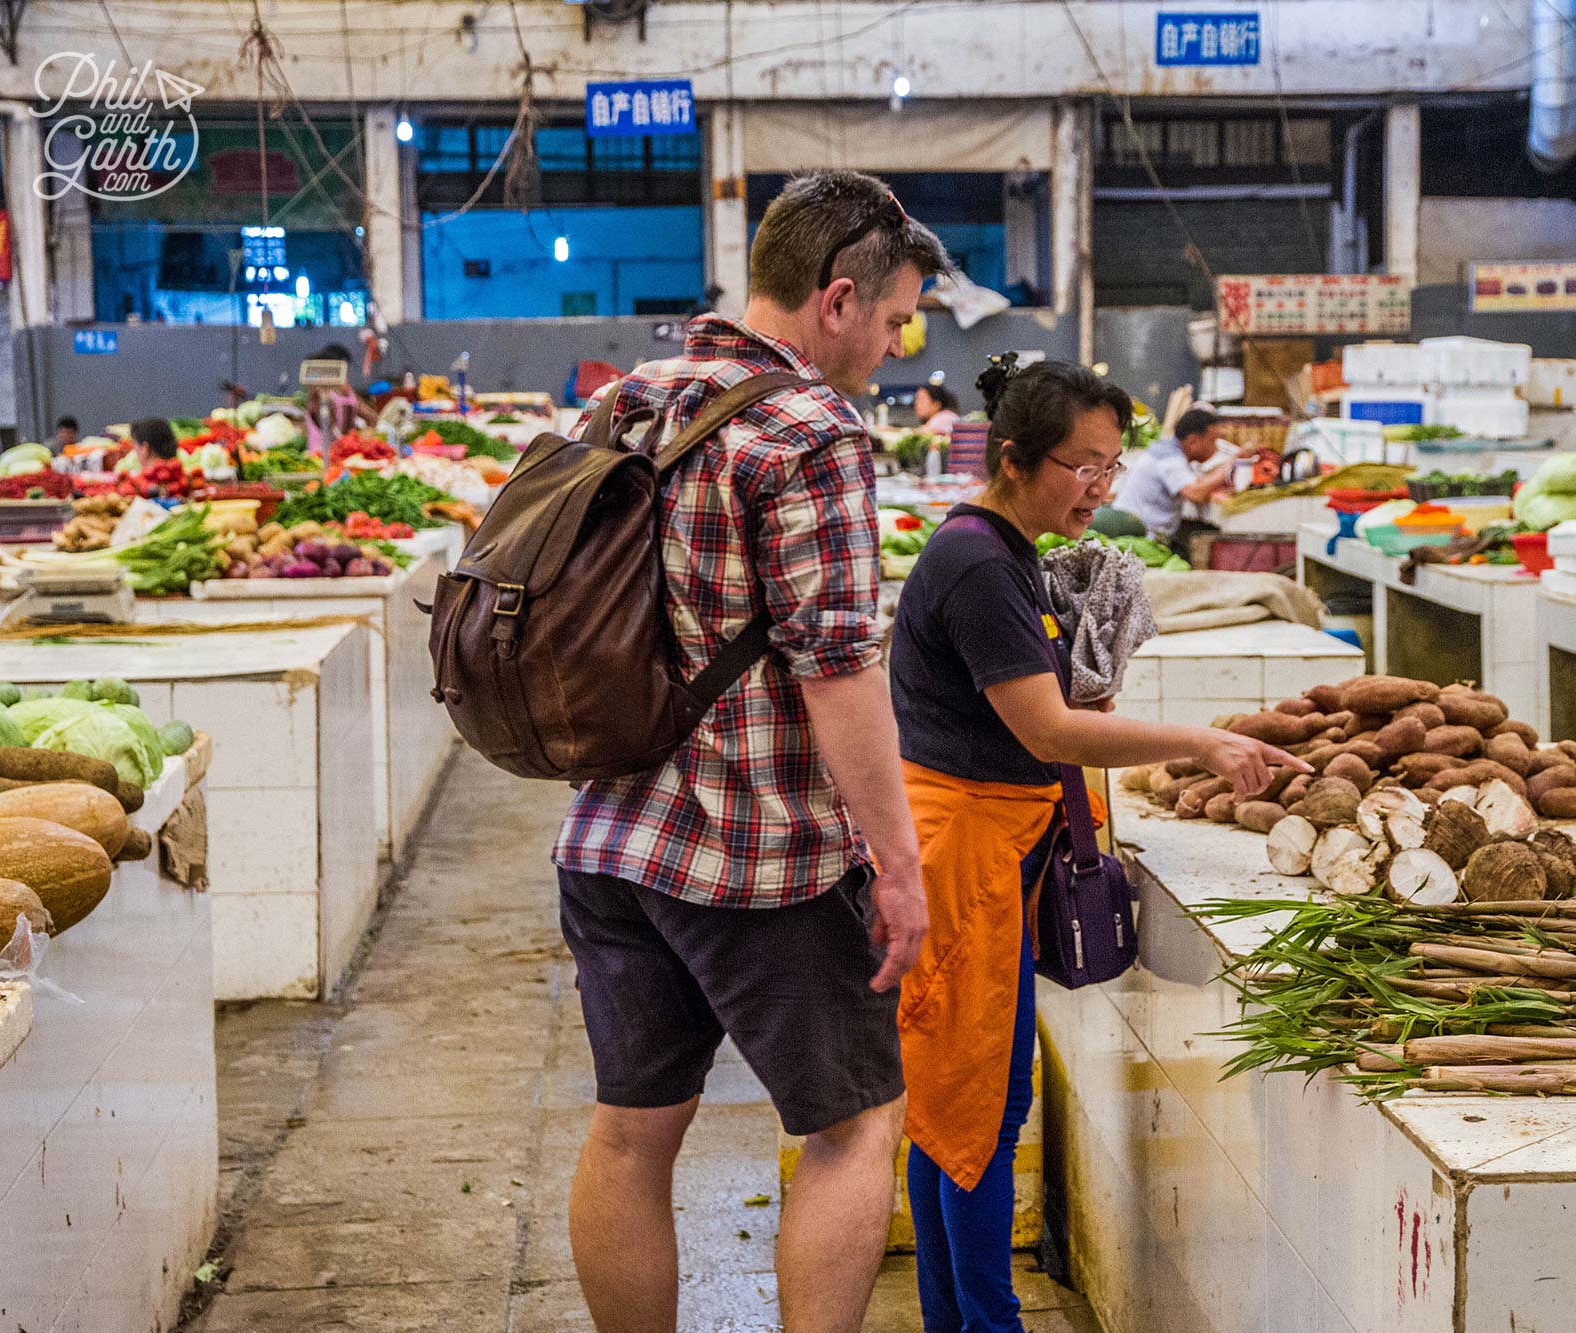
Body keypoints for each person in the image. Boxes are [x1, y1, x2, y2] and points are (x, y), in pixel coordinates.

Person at [551, 169, 951, 1333]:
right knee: (854, 1126)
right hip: (754, 854)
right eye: (889, 319)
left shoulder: (627, 399)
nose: (887, 345)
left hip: (611, 834)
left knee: (632, 1126)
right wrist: (899, 862)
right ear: (835, 300)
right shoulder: (810, 428)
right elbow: (835, 666)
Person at [888, 357, 1307, 1333]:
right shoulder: (981, 565)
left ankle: (957, 1322)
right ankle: (988, 1324)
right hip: (965, 857)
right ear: (1014, 457)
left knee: (959, 1108)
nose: (1098, 487)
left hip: (985, 847)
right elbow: (1049, 734)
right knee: (976, 1116)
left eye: (1110, 467)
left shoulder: (1000, 549)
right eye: (1082, 465)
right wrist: (1200, 740)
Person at [1109, 406, 1256, 555]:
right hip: (1140, 540)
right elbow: (1196, 493)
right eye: (1213, 440)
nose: (1216, 447)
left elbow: (1200, 486)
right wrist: (1233, 461)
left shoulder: (1168, 452)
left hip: (1142, 532)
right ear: (1193, 441)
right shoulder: (1169, 458)